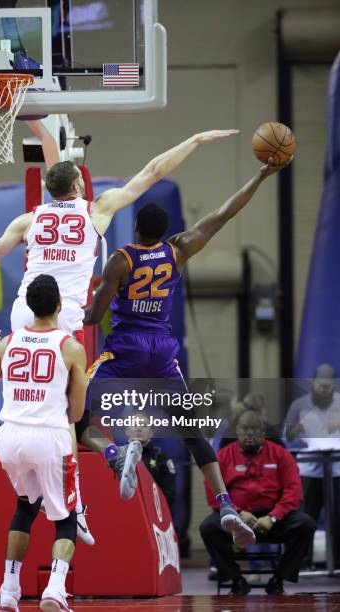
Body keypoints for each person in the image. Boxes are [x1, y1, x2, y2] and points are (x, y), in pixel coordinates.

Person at [0, 129, 239, 544]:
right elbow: (151, 172)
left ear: (49, 189)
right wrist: (194, 142)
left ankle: (80, 478)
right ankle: (76, 504)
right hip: (62, 317)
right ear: (79, 185)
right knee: (68, 416)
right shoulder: (97, 211)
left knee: (30, 401)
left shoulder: (29, 218)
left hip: (25, 308)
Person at [80, 157, 293, 547]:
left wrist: (85, 299)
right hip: (162, 353)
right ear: (165, 232)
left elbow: (93, 318)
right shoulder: (178, 251)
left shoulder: (119, 260)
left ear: (137, 228)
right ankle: (227, 505)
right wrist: (261, 174)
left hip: (126, 350)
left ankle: (114, 453)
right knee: (193, 431)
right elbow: (224, 213)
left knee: (77, 414)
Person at [0, 274, 87, 612]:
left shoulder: (8, 342)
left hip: (10, 438)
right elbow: (75, 413)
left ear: (29, 307)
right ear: (60, 305)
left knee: (25, 506)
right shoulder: (71, 347)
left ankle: (8, 589)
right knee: (66, 516)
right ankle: (55, 589)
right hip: (48, 437)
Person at [200, 410, 316, 595]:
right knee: (208, 528)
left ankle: (278, 579)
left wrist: (273, 517)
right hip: (236, 517)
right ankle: (236, 580)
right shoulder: (222, 456)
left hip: (272, 518)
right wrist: (237, 513)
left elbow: (294, 491)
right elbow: (213, 491)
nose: (250, 434)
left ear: (264, 433)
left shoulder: (281, 454)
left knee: (305, 524)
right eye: (244, 429)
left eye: (255, 430)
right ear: (236, 431)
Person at [284, 363, 340, 568]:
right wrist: (293, 430)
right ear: (312, 383)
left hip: (337, 468)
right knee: (305, 515)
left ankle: (338, 561)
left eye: (328, 386)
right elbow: (286, 434)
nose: (323, 389)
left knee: (338, 517)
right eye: (320, 385)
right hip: (309, 468)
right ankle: (303, 560)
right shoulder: (299, 405)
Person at [125, 414, 176, 516]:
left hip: (153, 513)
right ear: (127, 431)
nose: (139, 428)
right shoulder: (118, 456)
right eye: (135, 425)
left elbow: (168, 494)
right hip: (125, 509)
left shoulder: (161, 458)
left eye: (143, 426)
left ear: (151, 433)